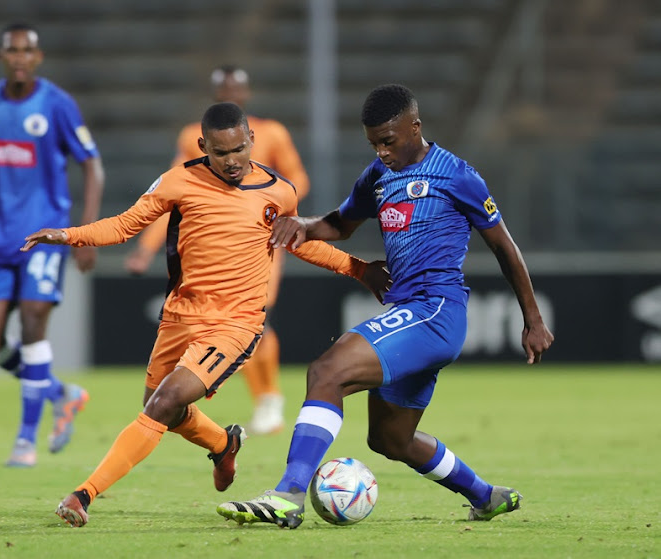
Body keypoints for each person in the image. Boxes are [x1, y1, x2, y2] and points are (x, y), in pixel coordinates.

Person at [21, 102, 389, 528]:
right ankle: (223, 442)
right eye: (220, 152)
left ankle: (84, 493)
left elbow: (300, 242)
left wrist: (358, 269)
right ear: (203, 146)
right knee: (161, 408)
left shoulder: (279, 191)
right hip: (180, 313)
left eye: (238, 149)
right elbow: (125, 225)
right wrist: (68, 235)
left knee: (164, 403)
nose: (232, 161)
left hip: (235, 322)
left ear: (251, 139)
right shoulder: (180, 180)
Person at [217, 84, 555, 529]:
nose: (382, 151)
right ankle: (484, 495)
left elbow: (504, 247)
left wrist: (533, 319)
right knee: (391, 439)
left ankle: (289, 493)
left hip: (435, 310)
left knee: (326, 372)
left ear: (415, 127)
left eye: (389, 141)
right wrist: (302, 225)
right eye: (374, 142)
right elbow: (341, 224)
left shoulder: (456, 175)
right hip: (412, 311)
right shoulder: (378, 174)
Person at [0, 23, 105, 468]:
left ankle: (25, 441)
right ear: (1, 56)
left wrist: (85, 231)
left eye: (26, 51)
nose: (18, 57)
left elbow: (93, 166)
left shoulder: (56, 103)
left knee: (34, 323)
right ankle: (60, 393)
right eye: (11, 50)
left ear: (38, 57)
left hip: (44, 238)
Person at [124, 65, 310, 436]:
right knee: (227, 327)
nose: (229, 94)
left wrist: (270, 212)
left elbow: (298, 179)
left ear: (246, 93)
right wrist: (146, 247)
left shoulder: (271, 133)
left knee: (258, 318)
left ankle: (270, 399)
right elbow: (173, 197)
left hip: (259, 243)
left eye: (235, 88)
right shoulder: (194, 136)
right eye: (222, 88)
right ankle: (258, 402)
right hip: (210, 247)